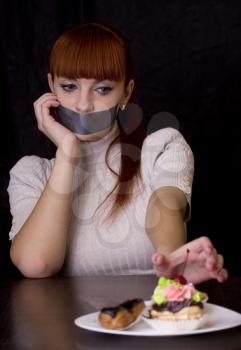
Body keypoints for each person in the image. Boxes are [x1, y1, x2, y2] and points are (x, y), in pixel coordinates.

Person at [7, 22, 228, 283]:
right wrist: (67, 155)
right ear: (51, 86)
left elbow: (165, 204)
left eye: (102, 89)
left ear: (127, 92)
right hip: (67, 324)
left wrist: (172, 261)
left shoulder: (161, 148)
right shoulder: (31, 174)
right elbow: (37, 263)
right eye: (69, 87)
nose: (83, 105)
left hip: (152, 319)